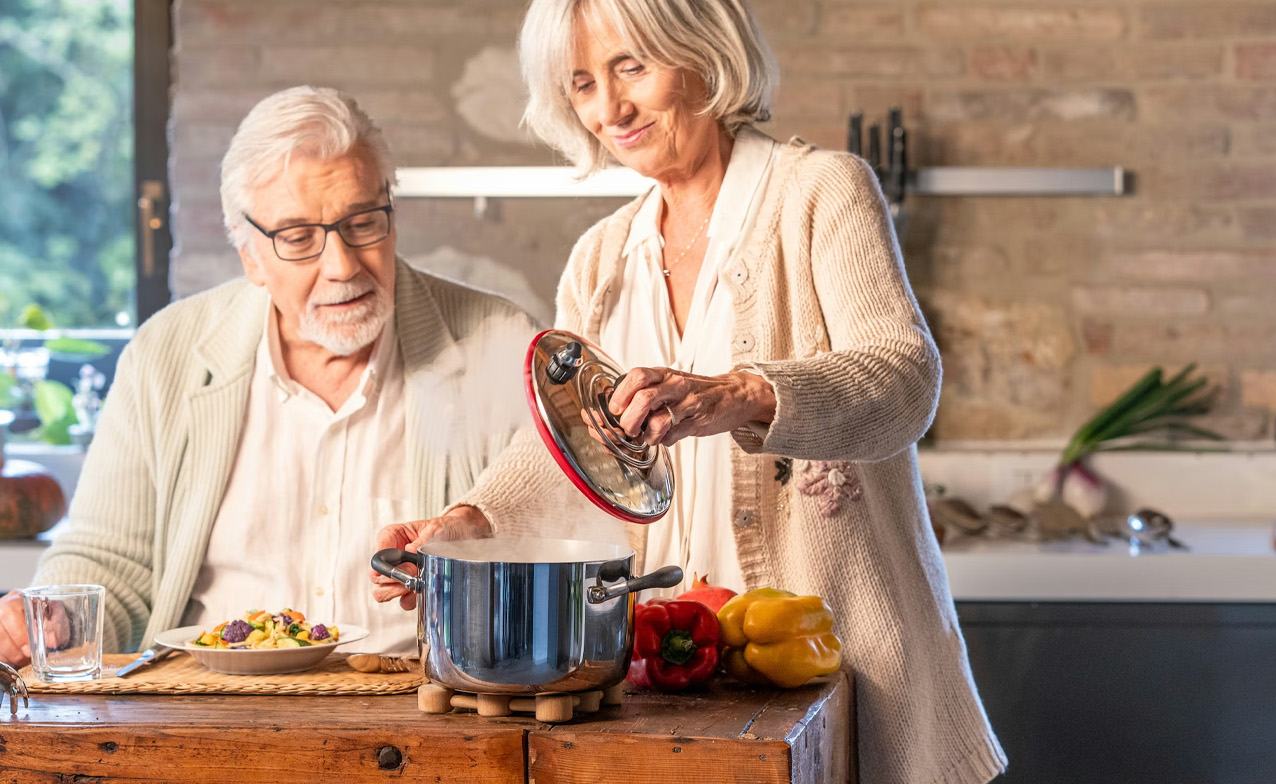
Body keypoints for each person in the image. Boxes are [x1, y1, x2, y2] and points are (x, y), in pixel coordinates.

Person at [371, 2, 1005, 782]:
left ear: (703, 53)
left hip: (837, 668)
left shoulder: (822, 193)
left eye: (630, 67)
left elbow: (904, 380)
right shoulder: (601, 257)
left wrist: (743, 393)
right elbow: (570, 453)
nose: (609, 109)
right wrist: (468, 526)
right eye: (582, 84)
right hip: (667, 677)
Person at [0, 85, 535, 664]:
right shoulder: (165, 355)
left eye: (363, 223)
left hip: (417, 718)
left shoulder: (499, 342)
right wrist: (54, 616)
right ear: (249, 256)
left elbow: (553, 547)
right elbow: (111, 561)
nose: (342, 266)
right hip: (207, 716)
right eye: (297, 239)